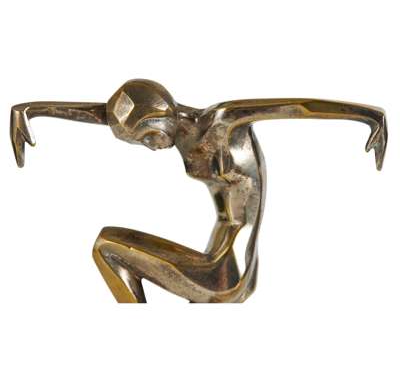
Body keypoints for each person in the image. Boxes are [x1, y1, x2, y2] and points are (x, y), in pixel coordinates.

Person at [10, 79, 387, 302]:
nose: (152, 148)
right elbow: (102, 114)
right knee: (112, 245)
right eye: (141, 143)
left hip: (228, 268)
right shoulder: (172, 129)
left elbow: (296, 107)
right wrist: (31, 110)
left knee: (107, 247)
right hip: (219, 256)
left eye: (149, 137)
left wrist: (371, 117)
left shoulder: (222, 121)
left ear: (163, 116)